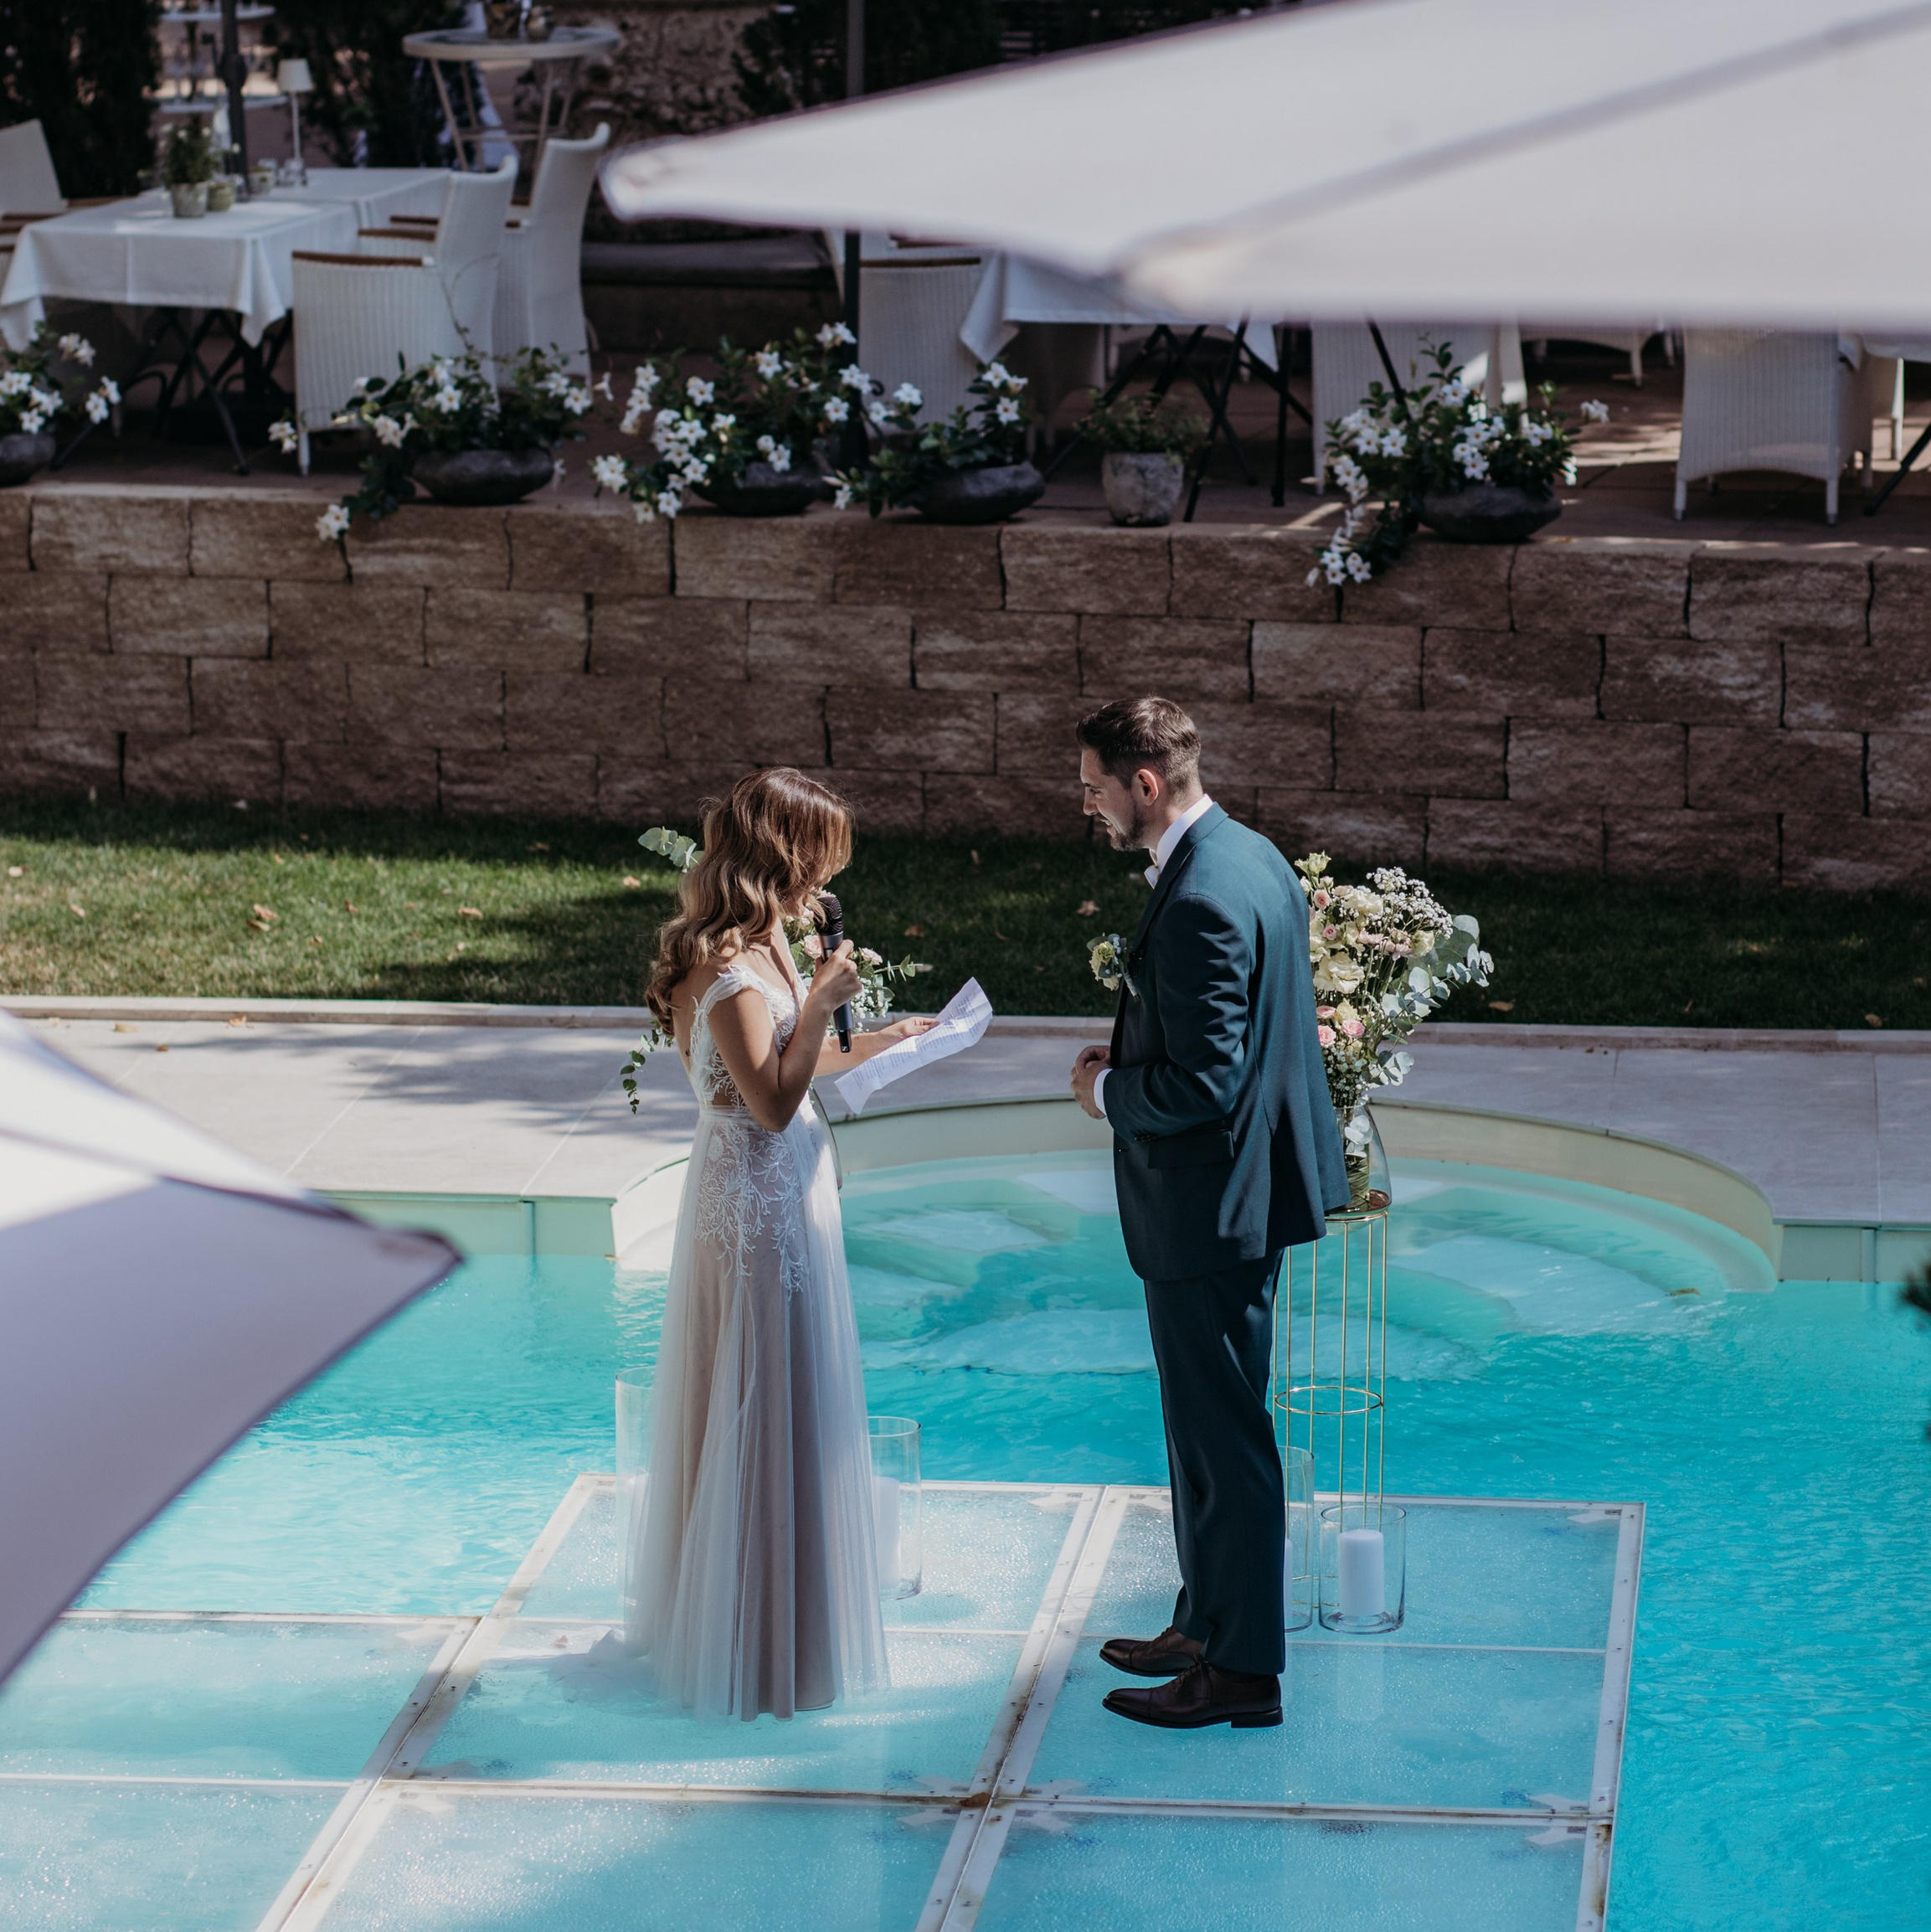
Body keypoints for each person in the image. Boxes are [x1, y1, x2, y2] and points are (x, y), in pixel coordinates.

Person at [627, 767, 935, 1720]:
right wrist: (821, 998)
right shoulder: (723, 966)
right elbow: (767, 1103)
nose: (825, 884)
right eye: (820, 862)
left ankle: (788, 1625)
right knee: (758, 1396)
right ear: (785, 857)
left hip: (782, 1192)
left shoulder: (763, 945)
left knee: (789, 1396)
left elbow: (791, 1066)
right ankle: (757, 1651)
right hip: (754, 1208)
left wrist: (879, 1037)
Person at [1069, 696, 1347, 1731]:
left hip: (1208, 1207)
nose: (1087, 804)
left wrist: (1102, 1092)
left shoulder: (1200, 899)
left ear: (1144, 784)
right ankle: (1205, 1620)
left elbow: (1203, 1085)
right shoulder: (1251, 853)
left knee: (1223, 1442)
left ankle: (1241, 1672)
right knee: (1202, 1435)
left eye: (1094, 784)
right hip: (1234, 1197)